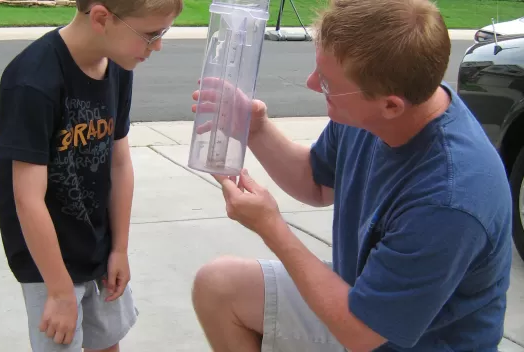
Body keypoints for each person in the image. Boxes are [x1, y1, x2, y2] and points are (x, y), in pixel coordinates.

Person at [190, 0, 513, 351]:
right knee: (219, 286)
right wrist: (256, 130)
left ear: (391, 105)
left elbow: (361, 334)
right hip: (362, 306)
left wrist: (273, 228)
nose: (312, 84)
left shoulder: (450, 200)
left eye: (327, 84)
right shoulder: (378, 110)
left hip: (401, 339)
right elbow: (316, 182)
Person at [0, 0, 182, 350]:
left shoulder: (120, 65)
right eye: (151, 34)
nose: (158, 46)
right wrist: (60, 292)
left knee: (107, 342)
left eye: (163, 33)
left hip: (97, 245)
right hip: (46, 263)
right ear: (101, 18)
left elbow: (119, 163)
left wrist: (119, 248)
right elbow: (27, 197)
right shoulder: (32, 80)